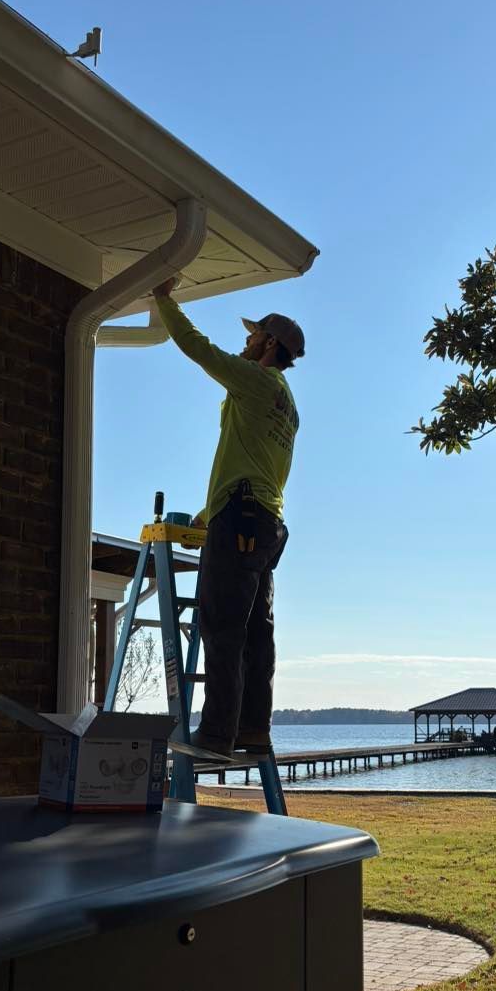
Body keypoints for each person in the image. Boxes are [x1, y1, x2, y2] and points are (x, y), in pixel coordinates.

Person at [153, 279, 303, 759]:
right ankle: (254, 731)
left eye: (253, 335)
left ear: (270, 343)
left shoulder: (256, 381)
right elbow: (255, 465)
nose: (245, 342)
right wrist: (208, 513)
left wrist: (163, 299)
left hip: (240, 519)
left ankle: (216, 734)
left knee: (220, 626)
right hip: (264, 524)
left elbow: (199, 349)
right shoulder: (288, 405)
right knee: (257, 633)